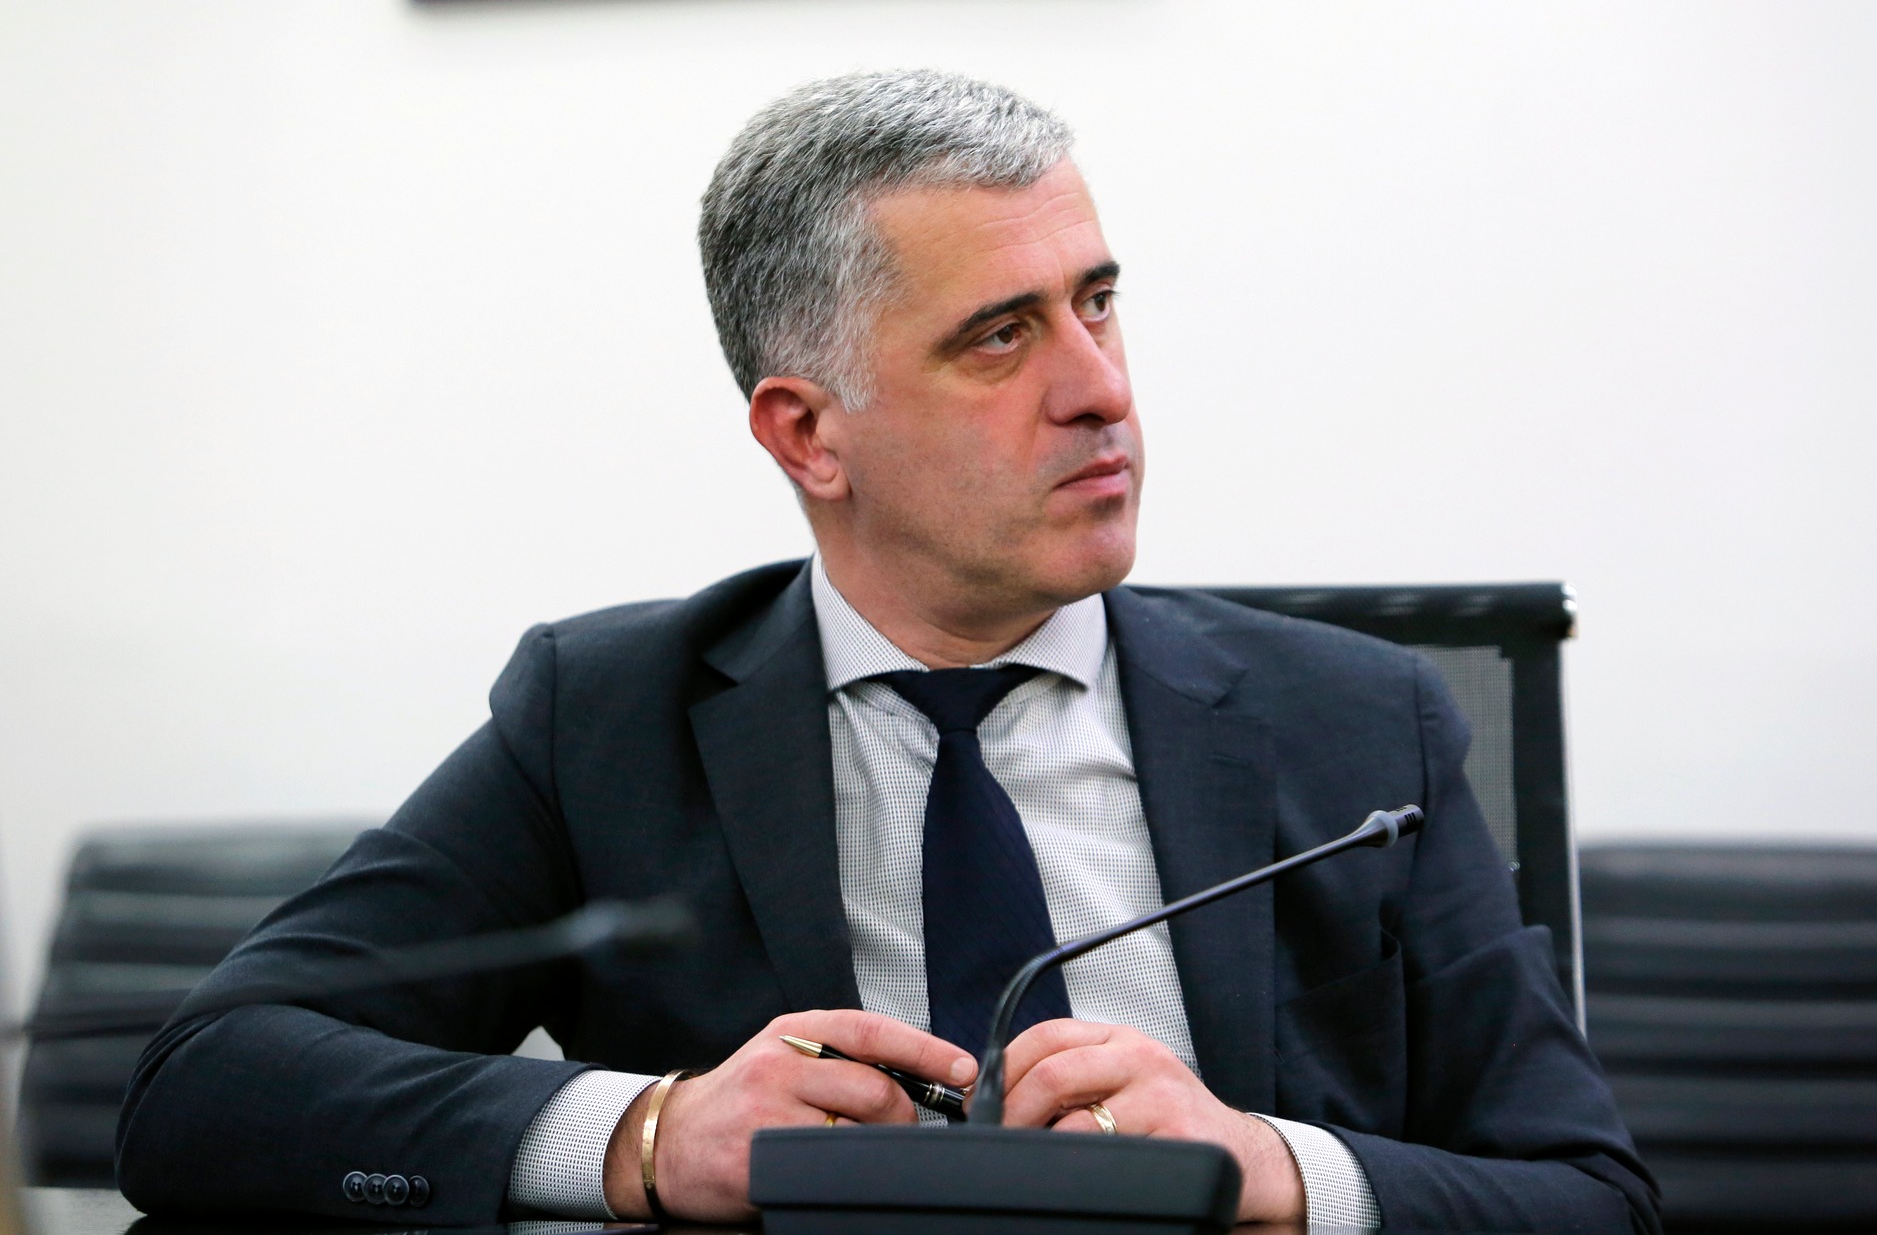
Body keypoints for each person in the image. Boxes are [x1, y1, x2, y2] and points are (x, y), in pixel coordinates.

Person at [116, 71, 1658, 1232]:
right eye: (1002, 336)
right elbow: (208, 1084)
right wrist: (652, 1135)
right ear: (809, 433)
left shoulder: (1359, 724)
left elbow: (1593, 1197)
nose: (1100, 390)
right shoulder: (610, 719)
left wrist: (1276, 1169)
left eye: (1099, 304)